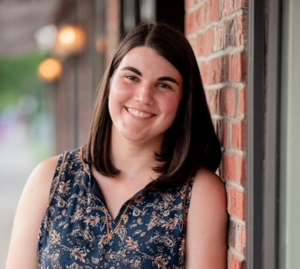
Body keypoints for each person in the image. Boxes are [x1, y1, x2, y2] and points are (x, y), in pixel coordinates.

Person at [5, 22, 228, 269]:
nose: (144, 96)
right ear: (110, 84)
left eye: (164, 85)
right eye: (131, 77)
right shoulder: (50, 179)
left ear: (183, 102)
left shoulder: (199, 193)